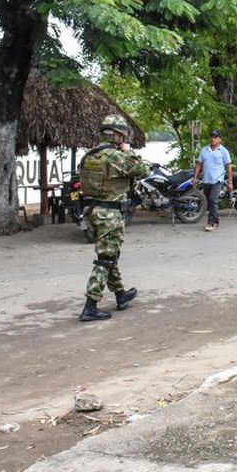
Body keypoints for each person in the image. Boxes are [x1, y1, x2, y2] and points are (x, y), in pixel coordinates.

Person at [78, 114, 149, 322]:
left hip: (92, 211)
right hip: (109, 213)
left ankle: (120, 295)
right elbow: (142, 170)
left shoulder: (89, 156)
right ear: (118, 136)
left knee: (110, 255)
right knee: (105, 259)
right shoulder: (115, 157)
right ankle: (90, 306)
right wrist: (130, 152)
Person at [193, 129, 233, 231]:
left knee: (212, 199)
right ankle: (216, 220)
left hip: (217, 180)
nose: (213, 139)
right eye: (212, 137)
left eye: (215, 137)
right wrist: (195, 178)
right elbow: (198, 164)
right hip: (206, 180)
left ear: (219, 139)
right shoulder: (204, 150)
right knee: (208, 201)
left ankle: (211, 223)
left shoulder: (223, 151)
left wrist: (230, 182)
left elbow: (228, 167)